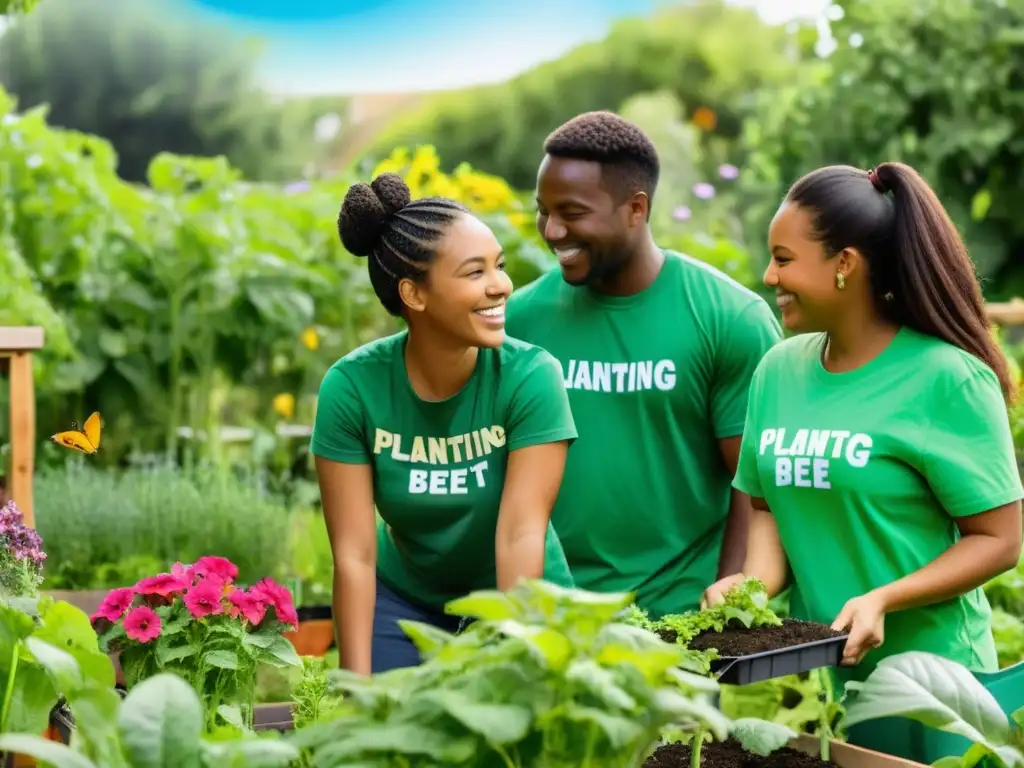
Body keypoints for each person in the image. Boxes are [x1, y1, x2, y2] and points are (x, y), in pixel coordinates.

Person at [703, 162, 1023, 694]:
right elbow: (768, 512)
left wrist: (885, 597)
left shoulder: (946, 379)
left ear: (844, 265)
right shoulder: (777, 372)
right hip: (817, 686)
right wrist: (750, 587)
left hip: (933, 685)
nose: (769, 276)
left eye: (783, 259)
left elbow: (999, 540)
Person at [505, 111, 782, 618]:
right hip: (547, 621)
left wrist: (723, 606)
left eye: (572, 212)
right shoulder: (518, 321)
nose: (552, 230)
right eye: (542, 211)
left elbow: (756, 485)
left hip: (676, 622)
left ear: (636, 208)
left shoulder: (728, 319)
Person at [310, 172, 578, 675]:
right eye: (475, 273)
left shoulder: (530, 377)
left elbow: (520, 534)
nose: (501, 286)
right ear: (414, 294)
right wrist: (355, 690)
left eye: (498, 266)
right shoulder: (351, 388)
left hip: (516, 597)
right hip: (403, 603)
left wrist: (520, 660)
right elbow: (354, 556)